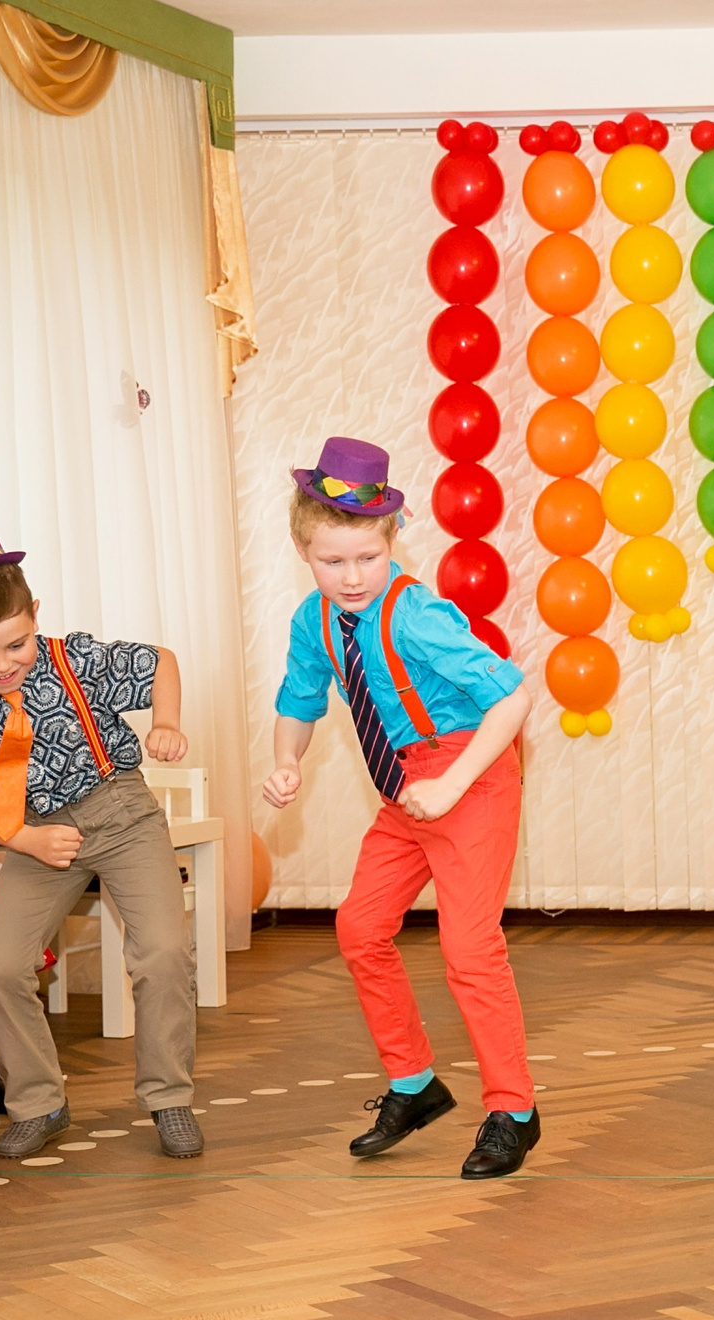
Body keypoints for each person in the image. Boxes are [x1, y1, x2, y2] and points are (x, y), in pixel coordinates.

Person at [263, 439, 539, 1179]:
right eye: (332, 560)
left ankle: (515, 1108)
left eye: (366, 558)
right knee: (358, 926)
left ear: (393, 539)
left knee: (468, 949)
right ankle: (414, 1084)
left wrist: (452, 786)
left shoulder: (417, 615)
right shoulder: (313, 621)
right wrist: (286, 759)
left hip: (469, 778)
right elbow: (298, 700)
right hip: (406, 789)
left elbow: (513, 697)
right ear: (303, 549)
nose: (351, 577)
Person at [0, 521, 203, 1160]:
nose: (2, 667)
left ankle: (168, 1098)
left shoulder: (76, 658)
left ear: (34, 615)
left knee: (161, 954)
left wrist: (167, 722)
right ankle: (38, 1102)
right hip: (33, 837)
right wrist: (20, 840)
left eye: (15, 645)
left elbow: (160, 661)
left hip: (121, 815)